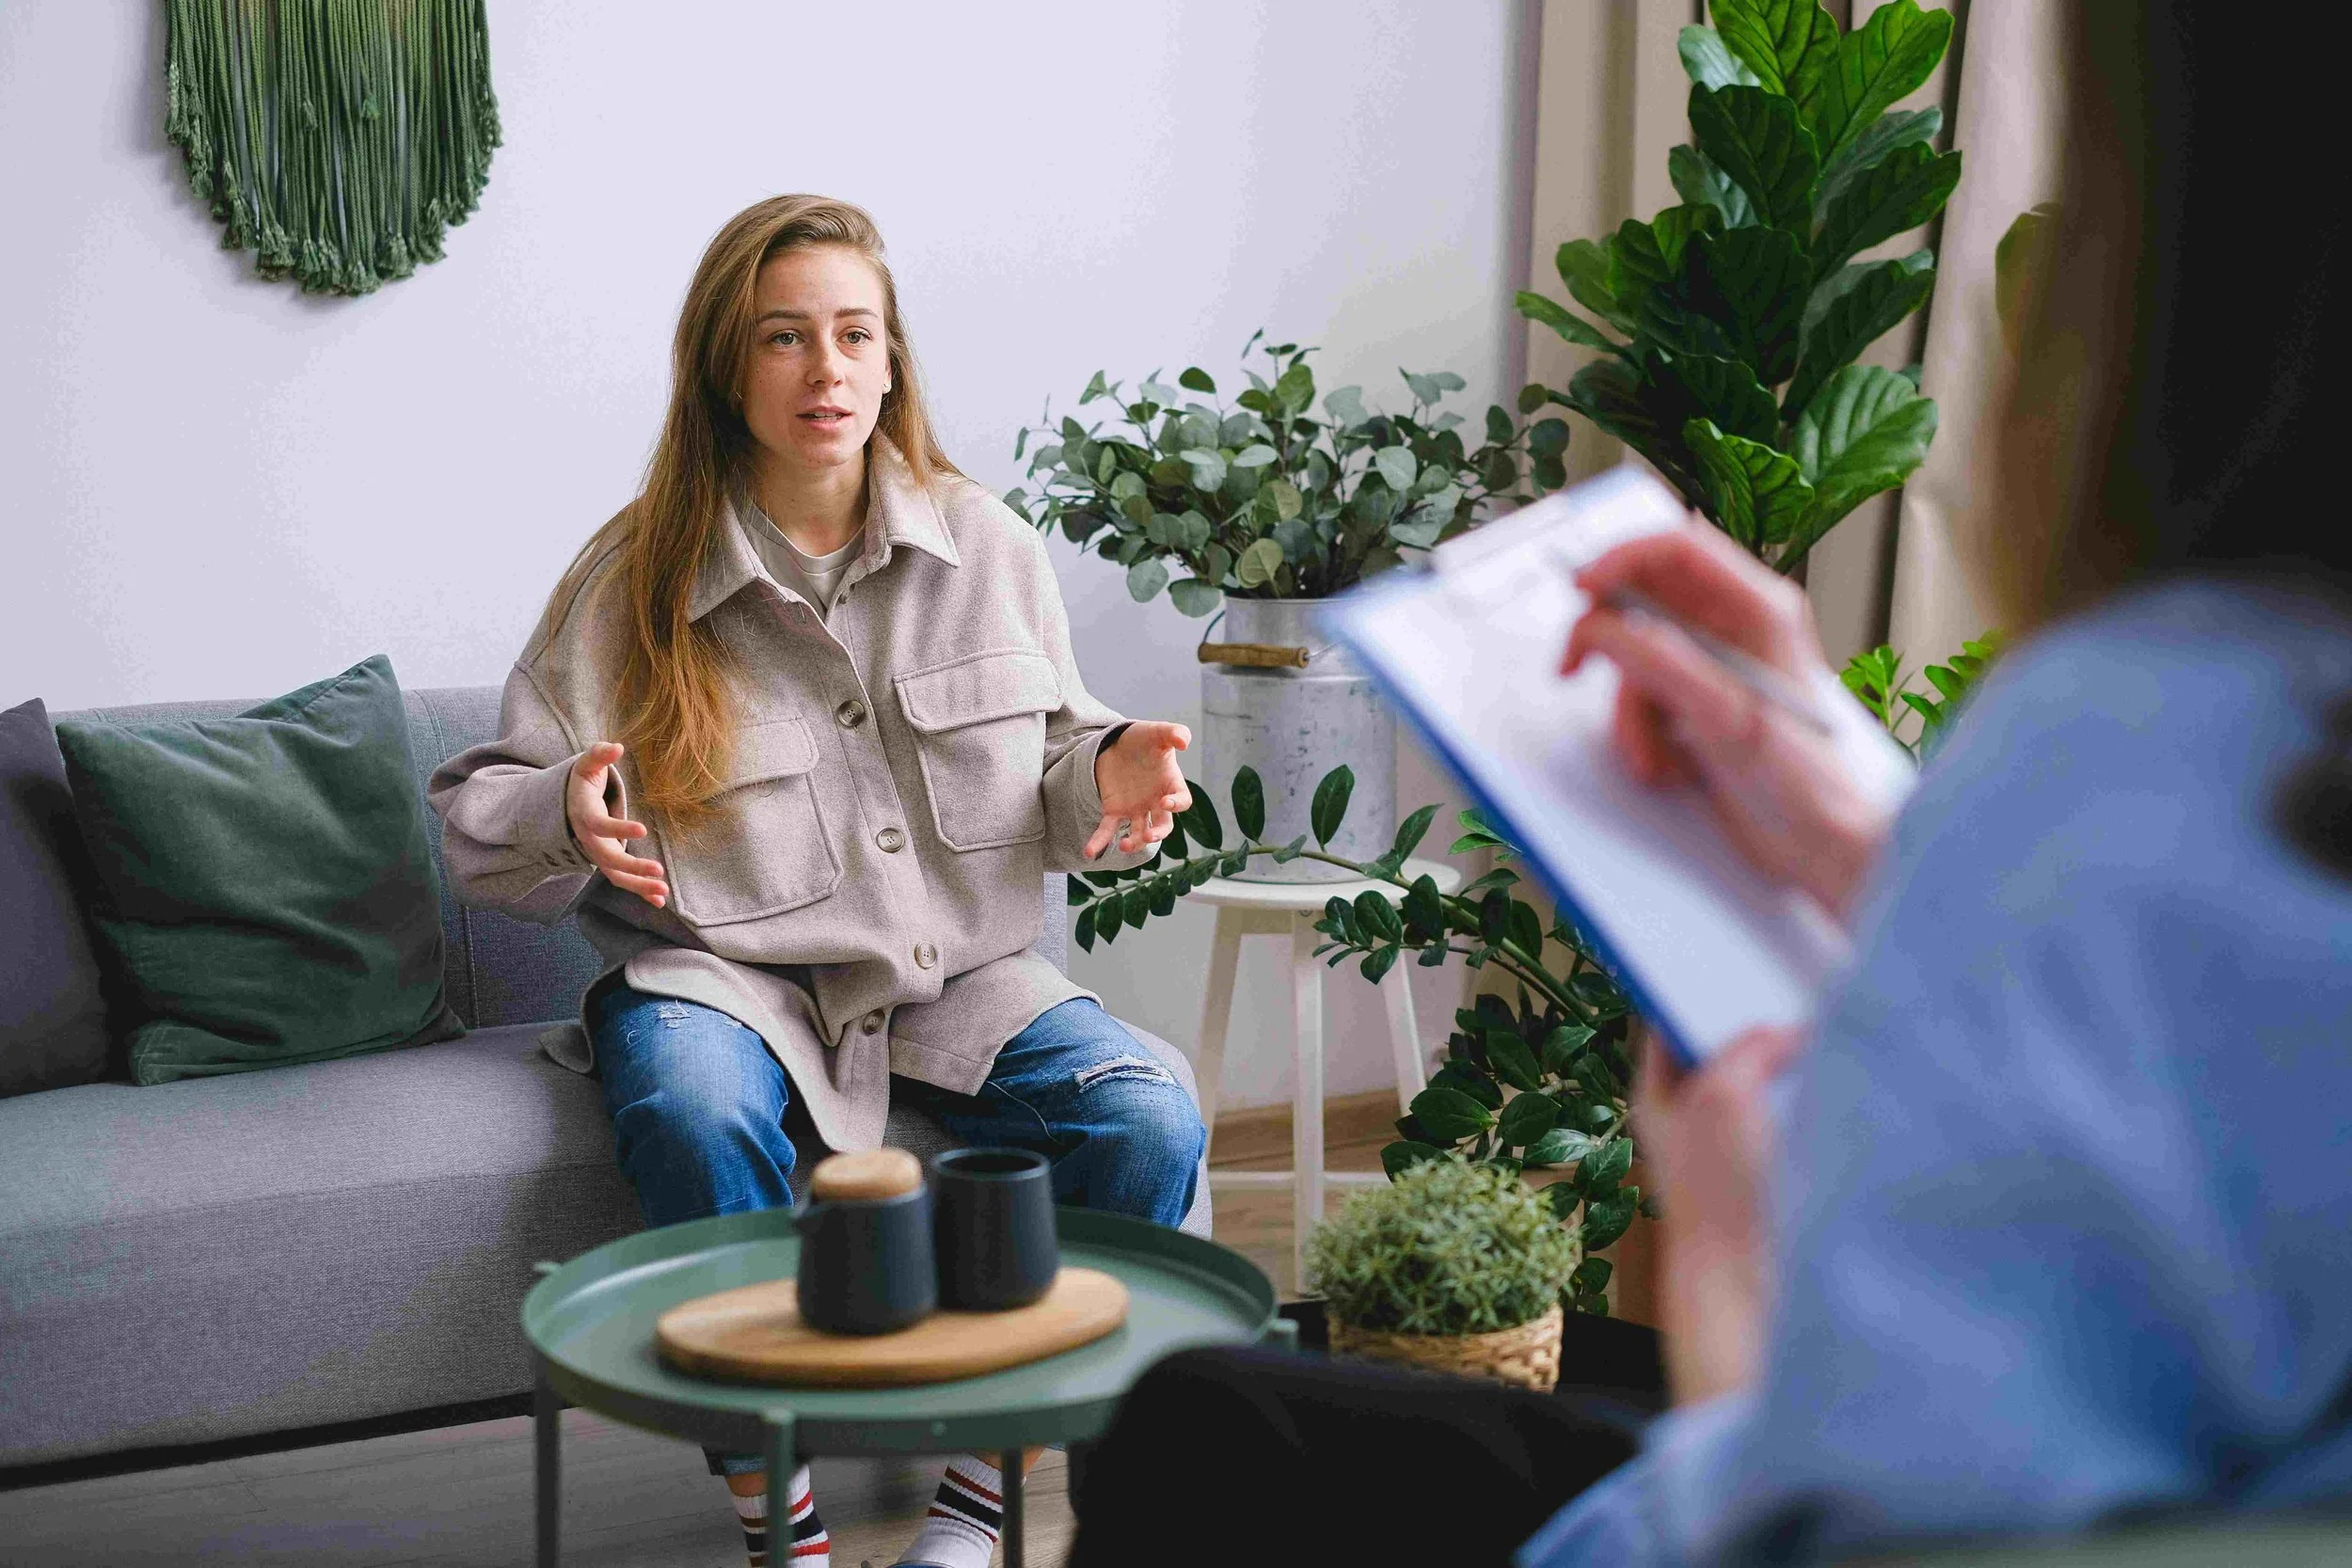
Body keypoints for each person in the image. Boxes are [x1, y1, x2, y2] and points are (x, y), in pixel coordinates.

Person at [1069, 6, 2352, 1564]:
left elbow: (1847, 1520)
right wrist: (1868, 813)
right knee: (1231, 1417)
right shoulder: (2242, 756)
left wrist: (1738, 1264)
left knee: (1208, 1435)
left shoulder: (2168, 717)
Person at [430, 196, 1207, 1568]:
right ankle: (776, 1516)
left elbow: (1060, 764)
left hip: (956, 984)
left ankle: (976, 1500)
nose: (826, 368)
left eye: (855, 334)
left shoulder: (991, 549)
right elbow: (475, 817)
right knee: (687, 1103)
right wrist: (570, 811)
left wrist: (1115, 772)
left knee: (1147, 1118)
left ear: (895, 360)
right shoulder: (630, 580)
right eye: (784, 338)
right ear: (728, 369)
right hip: (719, 985)